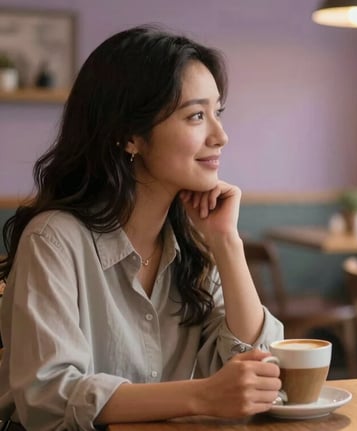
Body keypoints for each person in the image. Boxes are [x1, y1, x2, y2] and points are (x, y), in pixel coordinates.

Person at [0, 25, 284, 430]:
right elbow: (47, 396)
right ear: (129, 135)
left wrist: (226, 242)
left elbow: (263, 371)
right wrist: (202, 395)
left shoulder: (195, 247)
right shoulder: (54, 240)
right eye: (196, 116)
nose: (221, 136)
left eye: (217, 113)